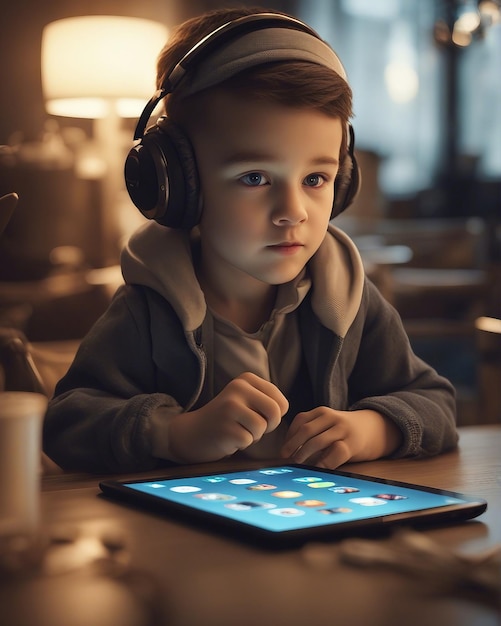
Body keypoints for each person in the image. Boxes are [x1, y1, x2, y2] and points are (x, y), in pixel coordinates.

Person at [43, 6, 458, 474]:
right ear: (179, 185)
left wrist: (372, 429)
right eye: (255, 177)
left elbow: (435, 401)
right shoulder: (149, 309)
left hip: (316, 524)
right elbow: (67, 422)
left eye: (317, 178)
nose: (293, 212)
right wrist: (173, 433)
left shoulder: (349, 298)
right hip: (185, 539)